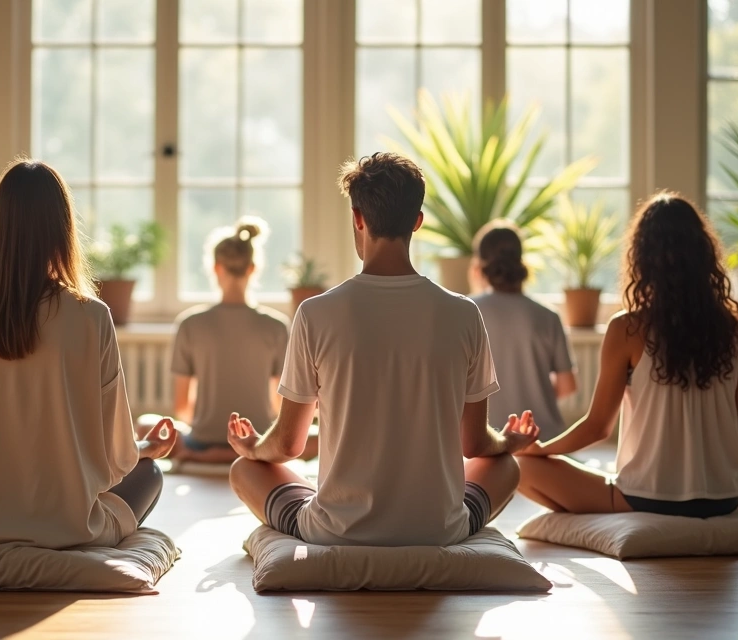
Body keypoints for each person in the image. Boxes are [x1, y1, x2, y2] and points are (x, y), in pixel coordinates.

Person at [226, 152, 539, 547]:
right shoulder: (464, 314)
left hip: (337, 531)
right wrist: (509, 441)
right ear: (417, 222)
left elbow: (289, 446)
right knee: (505, 467)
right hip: (439, 529)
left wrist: (253, 446)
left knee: (244, 470)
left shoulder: (315, 313)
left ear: (358, 218)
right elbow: (474, 445)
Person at [0, 159, 177, 549]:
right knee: (150, 474)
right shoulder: (92, 316)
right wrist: (143, 449)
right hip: (70, 530)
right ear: (61, 231)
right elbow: (116, 459)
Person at [515, 193, 738, 517]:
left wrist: (541, 450)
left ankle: (606, 514)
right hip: (723, 499)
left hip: (644, 499)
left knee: (520, 467)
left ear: (641, 258)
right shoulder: (735, 331)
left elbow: (598, 428)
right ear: (704, 255)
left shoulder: (628, 328)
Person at [167, 218, 292, 463]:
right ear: (253, 268)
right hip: (258, 440)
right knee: (313, 435)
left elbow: (181, 407)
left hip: (202, 440)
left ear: (216, 268)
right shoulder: (277, 326)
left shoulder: (189, 323)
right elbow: (281, 409)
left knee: (145, 426)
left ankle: (206, 455)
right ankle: (238, 454)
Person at [471, 221, 577, 441]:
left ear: (479, 267)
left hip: (487, 440)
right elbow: (568, 385)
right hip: (543, 440)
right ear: (521, 263)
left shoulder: (468, 312)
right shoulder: (548, 316)